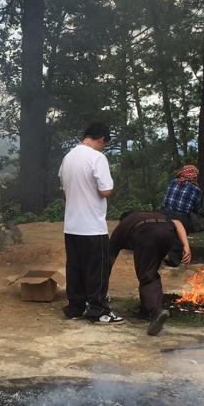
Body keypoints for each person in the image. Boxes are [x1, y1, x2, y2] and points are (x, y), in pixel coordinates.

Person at [58, 123, 124, 324]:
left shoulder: (68, 158)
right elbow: (105, 191)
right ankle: (99, 310)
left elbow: (64, 189)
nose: (103, 147)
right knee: (97, 269)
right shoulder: (97, 158)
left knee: (75, 268)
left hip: (72, 225)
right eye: (104, 144)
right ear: (101, 139)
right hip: (92, 227)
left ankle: (75, 307)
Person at [109, 211, 191, 335]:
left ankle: (156, 311)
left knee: (147, 275)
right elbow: (178, 223)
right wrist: (186, 246)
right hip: (168, 232)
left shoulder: (122, 229)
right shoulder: (151, 215)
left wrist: (100, 288)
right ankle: (146, 308)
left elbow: (108, 260)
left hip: (146, 235)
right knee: (151, 271)